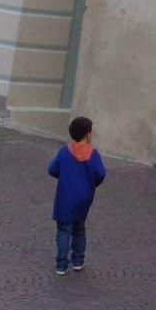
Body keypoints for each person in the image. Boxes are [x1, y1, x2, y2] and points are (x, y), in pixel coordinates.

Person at [47, 116, 108, 275]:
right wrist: (90, 184)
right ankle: (78, 260)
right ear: (87, 134)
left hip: (65, 197)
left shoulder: (64, 152)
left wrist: (64, 176)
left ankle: (61, 264)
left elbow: (52, 169)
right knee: (79, 228)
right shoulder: (93, 154)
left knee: (64, 230)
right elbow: (100, 173)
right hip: (84, 198)